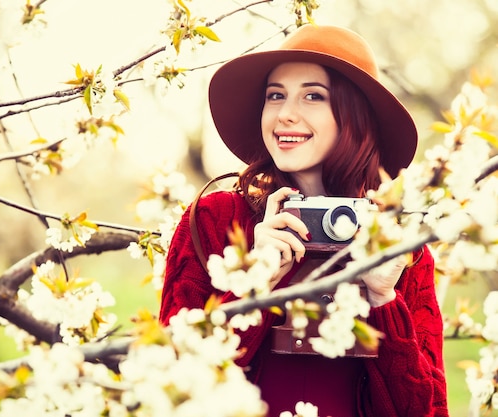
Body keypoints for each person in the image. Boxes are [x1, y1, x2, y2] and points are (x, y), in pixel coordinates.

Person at [158, 24, 449, 417]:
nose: (285, 114)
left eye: (313, 95)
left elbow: (427, 411)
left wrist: (384, 298)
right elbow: (170, 389)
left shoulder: (398, 246)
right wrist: (254, 286)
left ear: (355, 115)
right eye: (275, 96)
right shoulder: (214, 221)